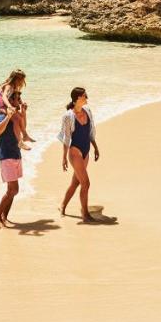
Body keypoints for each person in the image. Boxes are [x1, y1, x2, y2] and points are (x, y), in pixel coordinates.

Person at [58, 87, 100, 222]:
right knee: (86, 183)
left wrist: (95, 147)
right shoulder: (68, 116)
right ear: (77, 98)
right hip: (75, 151)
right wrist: (64, 157)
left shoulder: (88, 111)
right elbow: (66, 138)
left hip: (86, 150)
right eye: (84, 95)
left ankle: (62, 205)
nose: (87, 97)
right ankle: (85, 214)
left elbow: (90, 132)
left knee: (76, 183)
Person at [0, 90, 24, 227]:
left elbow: (24, 128)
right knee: (13, 190)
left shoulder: (16, 117)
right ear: (10, 101)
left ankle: (4, 216)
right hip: (6, 155)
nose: (19, 101)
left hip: (15, 154)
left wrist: (24, 112)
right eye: (17, 98)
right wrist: (8, 117)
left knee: (13, 190)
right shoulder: (1, 116)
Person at [0, 69, 37, 150]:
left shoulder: (14, 88)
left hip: (5, 106)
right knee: (16, 119)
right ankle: (20, 141)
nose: (22, 82)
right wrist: (9, 106)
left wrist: (22, 104)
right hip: (2, 106)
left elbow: (17, 98)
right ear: (16, 79)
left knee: (20, 117)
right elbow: (4, 97)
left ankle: (25, 135)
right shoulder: (9, 86)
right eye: (21, 80)